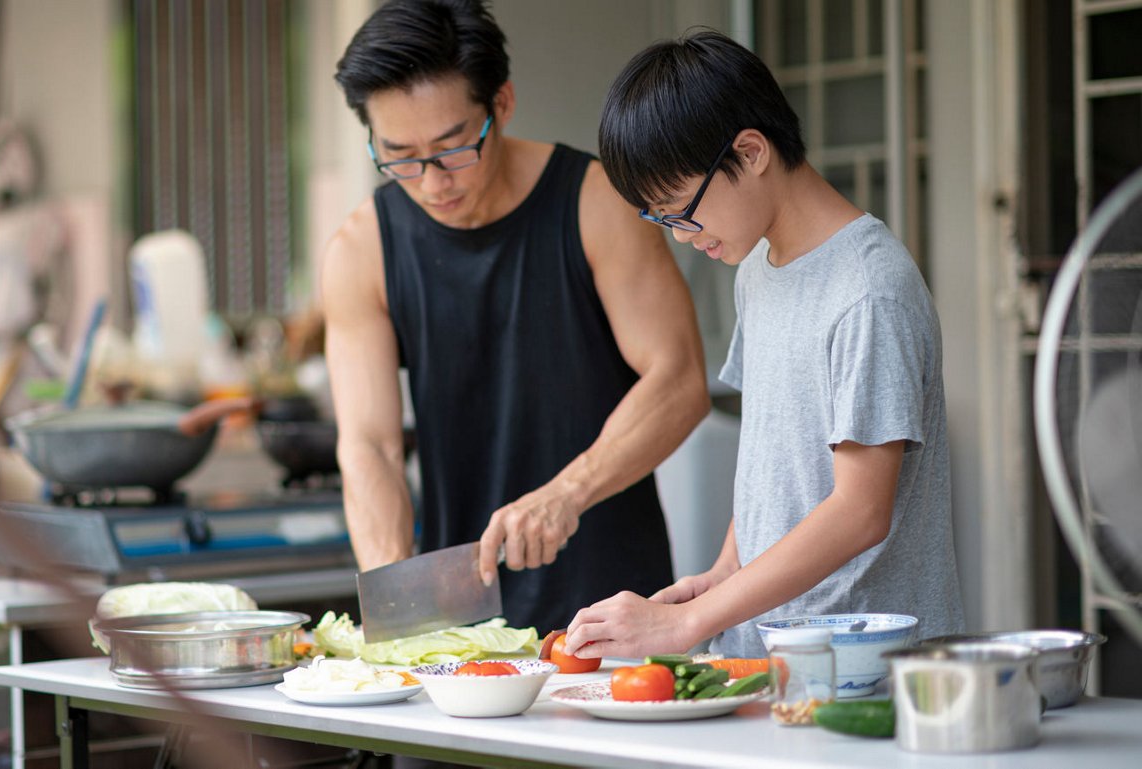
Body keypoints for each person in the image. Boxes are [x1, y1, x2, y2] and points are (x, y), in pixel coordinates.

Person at [564, 29, 964, 660]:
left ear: (750, 153)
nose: (679, 236)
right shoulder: (758, 267)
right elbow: (771, 466)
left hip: (863, 667)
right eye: (659, 219)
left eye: (681, 210)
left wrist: (682, 627)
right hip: (771, 656)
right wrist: (722, 574)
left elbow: (860, 511)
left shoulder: (868, 289)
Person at [321, 0, 710, 636]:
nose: (430, 181)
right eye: (399, 156)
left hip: (613, 607)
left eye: (452, 149)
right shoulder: (362, 250)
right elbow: (370, 447)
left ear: (501, 104)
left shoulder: (596, 202)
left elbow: (680, 379)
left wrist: (567, 493)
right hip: (459, 619)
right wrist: (399, 608)